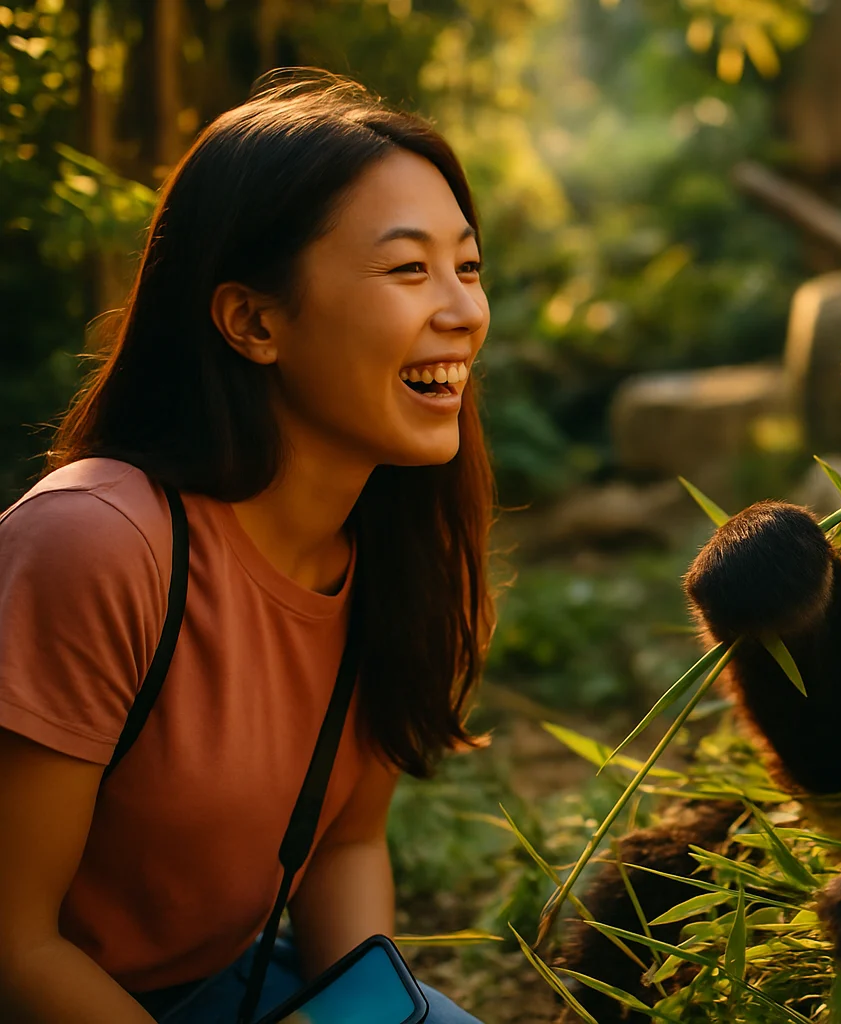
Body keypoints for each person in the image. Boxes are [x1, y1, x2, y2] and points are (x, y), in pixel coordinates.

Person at [0, 73, 494, 1023]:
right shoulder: (95, 546)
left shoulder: (392, 555)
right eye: (408, 269)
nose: (463, 311)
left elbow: (345, 846)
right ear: (254, 322)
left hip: (225, 987)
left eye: (467, 268)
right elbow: (14, 945)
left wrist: (364, 1018)